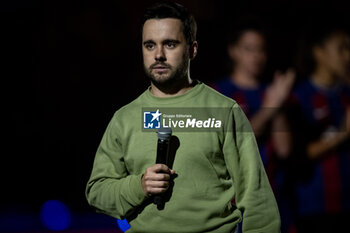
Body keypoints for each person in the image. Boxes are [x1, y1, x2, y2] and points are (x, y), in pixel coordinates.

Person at [85, 2, 280, 232]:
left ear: (192, 50)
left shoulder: (223, 111)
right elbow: (97, 192)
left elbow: (257, 199)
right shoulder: (125, 118)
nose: (158, 54)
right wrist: (139, 186)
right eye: (149, 45)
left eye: (170, 44)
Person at [210, 20, 295, 233]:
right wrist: (269, 108)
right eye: (249, 49)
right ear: (233, 51)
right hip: (234, 200)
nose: (256, 56)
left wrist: (278, 105)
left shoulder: (271, 91)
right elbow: (231, 143)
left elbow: (284, 149)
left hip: (273, 193)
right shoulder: (218, 93)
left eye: (261, 49)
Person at [291, 18, 350, 233]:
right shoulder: (299, 97)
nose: (348, 56)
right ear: (319, 52)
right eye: (341, 48)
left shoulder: (346, 94)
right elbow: (297, 155)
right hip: (314, 209)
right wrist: (343, 134)